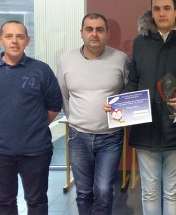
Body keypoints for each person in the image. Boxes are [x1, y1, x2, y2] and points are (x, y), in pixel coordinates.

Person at [123, 0, 176, 214]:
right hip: (145, 126)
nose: (161, 13)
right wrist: (120, 104)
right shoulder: (140, 42)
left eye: (166, 8)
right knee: (149, 191)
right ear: (152, 12)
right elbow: (134, 80)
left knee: (172, 191)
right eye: (157, 8)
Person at [0, 21, 62, 215]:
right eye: (9, 36)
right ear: (0, 40)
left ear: (27, 41)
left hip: (36, 150)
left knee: (37, 201)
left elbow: (54, 106)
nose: (14, 41)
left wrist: (33, 124)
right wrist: (2, 122)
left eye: (20, 37)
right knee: (4, 203)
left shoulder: (41, 70)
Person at [57, 13, 129, 215]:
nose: (94, 34)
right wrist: (77, 119)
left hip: (111, 137)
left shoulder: (121, 59)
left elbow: (129, 92)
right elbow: (63, 95)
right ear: (81, 33)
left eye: (99, 29)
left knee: (105, 190)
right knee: (83, 192)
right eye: (89, 29)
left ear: (107, 34)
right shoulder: (66, 60)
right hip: (78, 136)